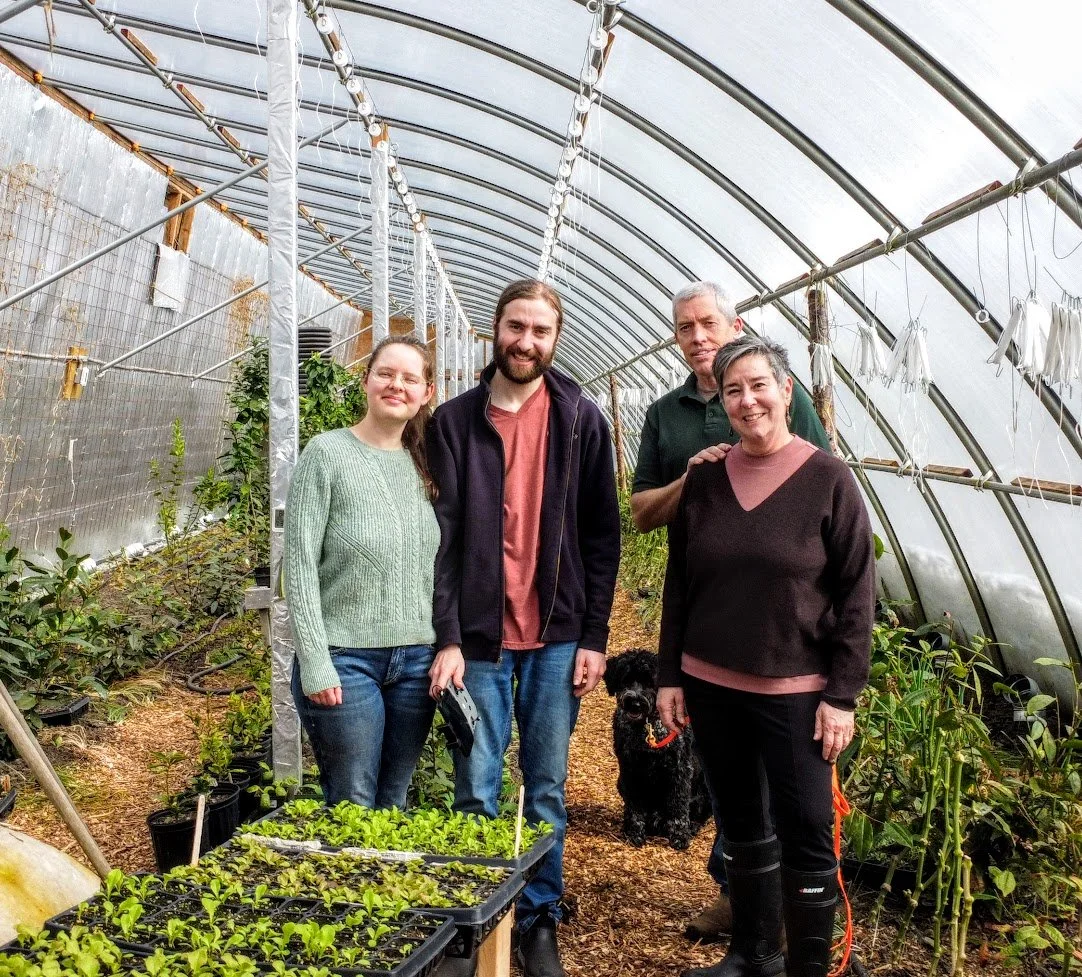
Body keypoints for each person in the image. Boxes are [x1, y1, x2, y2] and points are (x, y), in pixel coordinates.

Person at [656, 334, 875, 977]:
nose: (747, 401)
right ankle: (753, 955)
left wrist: (841, 696)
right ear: (721, 401)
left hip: (795, 691)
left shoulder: (828, 480)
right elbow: (680, 582)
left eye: (759, 386)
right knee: (741, 820)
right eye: (733, 390)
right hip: (711, 682)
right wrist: (671, 675)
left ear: (786, 391)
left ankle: (808, 966)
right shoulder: (705, 481)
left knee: (807, 830)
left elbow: (857, 593)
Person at [426, 279, 621, 977]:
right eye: (516, 326)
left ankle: (539, 916)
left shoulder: (580, 419)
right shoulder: (454, 422)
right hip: (479, 641)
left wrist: (595, 635)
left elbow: (603, 533)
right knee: (475, 782)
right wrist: (446, 635)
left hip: (557, 637)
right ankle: (476, 918)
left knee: (543, 784)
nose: (526, 341)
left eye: (540, 330)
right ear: (495, 328)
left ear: (555, 337)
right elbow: (441, 542)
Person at [630, 281, 831, 942]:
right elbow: (641, 515)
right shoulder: (668, 415)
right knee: (731, 775)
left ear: (734, 323)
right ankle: (741, 900)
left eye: (707, 322)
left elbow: (821, 497)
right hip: (712, 611)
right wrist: (695, 478)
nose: (697, 336)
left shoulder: (779, 392)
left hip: (782, 626)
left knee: (787, 780)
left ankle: (788, 924)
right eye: (684, 327)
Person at [284, 335, 440, 809]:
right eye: (386, 374)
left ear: (426, 393)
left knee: (393, 799)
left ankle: (385, 884)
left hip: (416, 662)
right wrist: (314, 659)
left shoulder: (426, 463)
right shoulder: (326, 453)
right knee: (352, 800)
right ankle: (341, 884)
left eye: (410, 378)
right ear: (367, 381)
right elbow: (300, 563)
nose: (397, 385)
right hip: (345, 658)